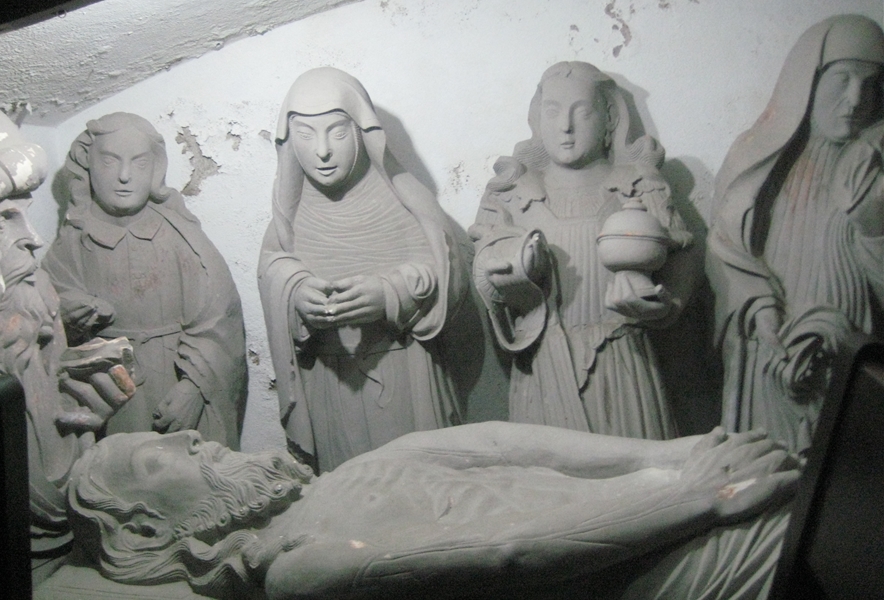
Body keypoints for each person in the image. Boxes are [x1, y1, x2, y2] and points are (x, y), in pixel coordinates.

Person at [67, 423, 797, 599]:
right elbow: (506, 553)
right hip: (665, 559)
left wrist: (676, 451)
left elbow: (506, 442)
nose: (187, 437)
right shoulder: (298, 567)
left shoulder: (348, 473)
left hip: (672, 505)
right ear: (148, 527)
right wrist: (698, 497)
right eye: (157, 458)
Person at [470, 62, 696, 439]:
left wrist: (664, 305)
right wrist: (510, 272)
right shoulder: (510, 194)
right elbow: (483, 274)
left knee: (638, 470)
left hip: (623, 363)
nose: (566, 126)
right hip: (542, 364)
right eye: (552, 111)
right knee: (548, 473)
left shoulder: (639, 185)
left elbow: (684, 253)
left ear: (610, 119)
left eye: (582, 112)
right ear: (537, 119)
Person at [258, 68, 468, 472]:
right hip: (330, 383)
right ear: (289, 141)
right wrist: (296, 291)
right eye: (305, 135)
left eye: (337, 132)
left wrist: (389, 294)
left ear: (360, 131)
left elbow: (449, 273)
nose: (322, 151)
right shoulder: (289, 216)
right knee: (346, 493)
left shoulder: (406, 199)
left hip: (405, 372)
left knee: (417, 488)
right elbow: (272, 269)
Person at [706, 15, 884, 454]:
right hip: (772, 344)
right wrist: (758, 306)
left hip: (852, 350)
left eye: (871, 84)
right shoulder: (759, 158)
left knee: (839, 472)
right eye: (841, 79)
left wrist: (871, 223)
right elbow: (725, 247)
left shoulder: (875, 171)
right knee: (768, 465)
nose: (855, 99)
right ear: (808, 81)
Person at [42, 113, 248, 449]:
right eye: (110, 161)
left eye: (139, 163)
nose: (124, 176)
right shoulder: (72, 244)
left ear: (155, 168)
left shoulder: (181, 236)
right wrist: (67, 317)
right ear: (88, 164)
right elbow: (43, 319)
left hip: (175, 381)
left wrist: (194, 388)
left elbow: (220, 319)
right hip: (109, 392)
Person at [0, 100, 135, 563]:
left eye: (25, 211)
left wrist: (82, 388)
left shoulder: (31, 285)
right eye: (3, 218)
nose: (33, 237)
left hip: (61, 525)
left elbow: (50, 397)